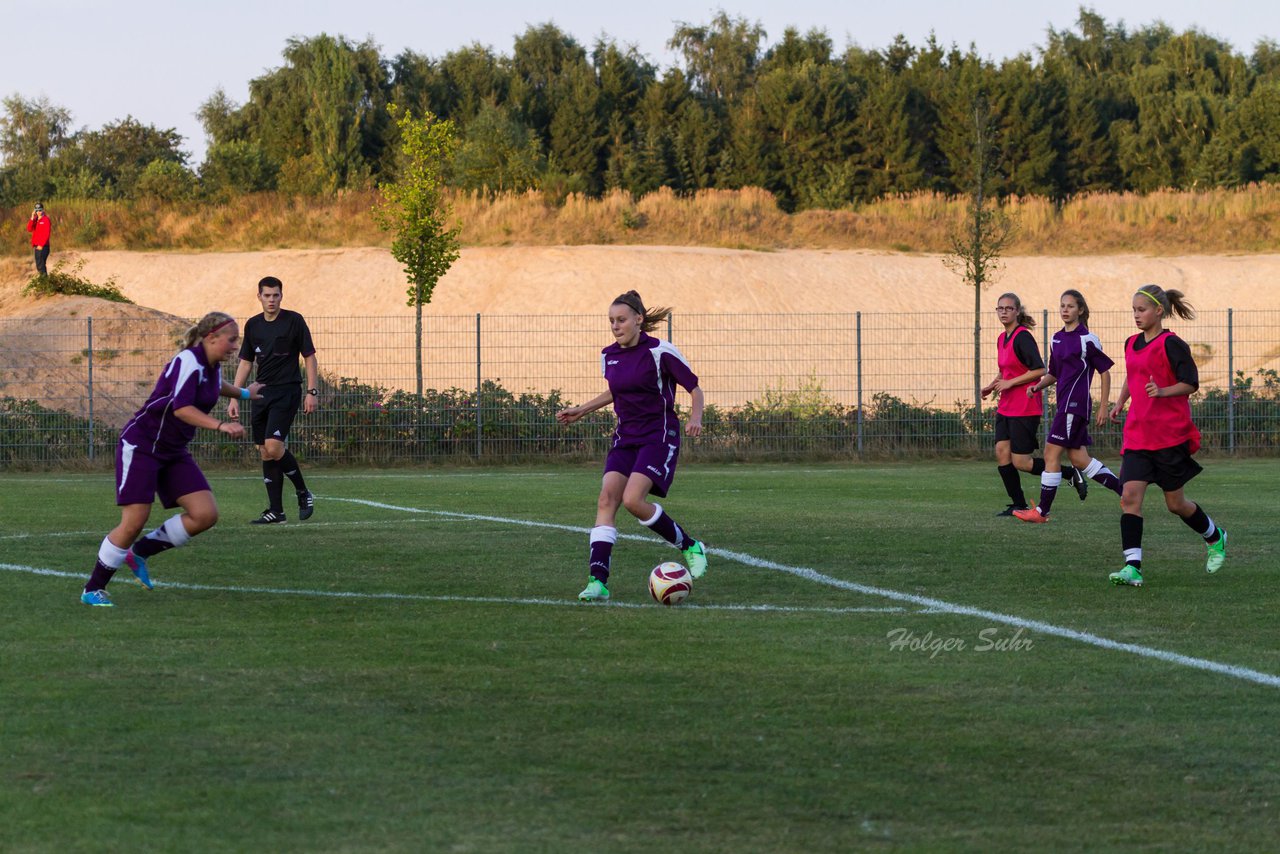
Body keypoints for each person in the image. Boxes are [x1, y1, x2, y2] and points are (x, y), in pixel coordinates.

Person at [80, 313, 263, 607]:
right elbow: (181, 409)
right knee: (134, 520)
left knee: (205, 514)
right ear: (211, 338)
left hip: (172, 450)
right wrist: (220, 425)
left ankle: (138, 552)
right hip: (141, 445)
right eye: (231, 340)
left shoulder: (210, 365)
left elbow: (215, 385)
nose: (235, 346)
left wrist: (244, 393)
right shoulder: (189, 361)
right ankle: (93, 589)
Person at [555, 290, 708, 602]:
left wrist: (696, 418)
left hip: (658, 436)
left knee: (633, 501)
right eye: (611, 320)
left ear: (639, 320)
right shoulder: (608, 354)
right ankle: (597, 582)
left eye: (621, 319)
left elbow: (694, 388)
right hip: (625, 437)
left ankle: (690, 546)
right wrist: (581, 409)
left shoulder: (660, 351)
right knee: (606, 499)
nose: (615, 325)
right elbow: (616, 391)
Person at [1105, 285, 1226, 587]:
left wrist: (1161, 392)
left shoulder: (1172, 344)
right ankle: (1133, 568)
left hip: (1168, 436)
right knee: (1129, 497)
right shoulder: (1131, 343)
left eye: (1141, 309)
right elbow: (1133, 375)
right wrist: (1121, 401)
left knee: (1176, 504)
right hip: (1137, 435)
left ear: (1159, 311)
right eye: (1133, 310)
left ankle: (1215, 536)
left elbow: (1191, 383)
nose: (1136, 315)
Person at [1014, 289, 1123, 523]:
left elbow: (1105, 372)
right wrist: (1037, 387)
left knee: (1050, 452)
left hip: (1075, 406)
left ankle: (1042, 511)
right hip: (1065, 405)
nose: (1065, 310)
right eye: (1062, 305)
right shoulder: (1057, 338)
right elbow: (1054, 372)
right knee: (1080, 460)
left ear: (1080, 310)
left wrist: (1103, 406)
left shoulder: (1087, 339)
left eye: (1070, 306)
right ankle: (1126, 492)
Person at [980, 293, 1083, 516]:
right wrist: (992, 385)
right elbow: (1005, 370)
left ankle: (1069, 473)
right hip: (1006, 406)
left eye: (1008, 308)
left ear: (1017, 311)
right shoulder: (1001, 338)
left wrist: (1010, 383)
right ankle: (1018, 504)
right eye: (1000, 308)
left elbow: (1039, 370)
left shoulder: (1023, 337)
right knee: (1001, 452)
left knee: (1022, 462)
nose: (1004, 312)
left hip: (1025, 406)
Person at [227, 276, 318, 524]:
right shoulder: (253, 325)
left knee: (275, 446)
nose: (271, 300)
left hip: (287, 391)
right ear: (259, 297)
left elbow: (309, 356)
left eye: (276, 295)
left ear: (281, 296)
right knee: (265, 452)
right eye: (267, 295)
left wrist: (312, 391)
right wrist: (235, 395)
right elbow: (246, 362)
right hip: (260, 393)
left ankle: (303, 492)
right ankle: (276, 511)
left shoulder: (294, 320)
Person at [26, 202, 51, 276]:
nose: (38, 212)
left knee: (41, 266)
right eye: (36, 210)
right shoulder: (35, 219)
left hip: (43, 247)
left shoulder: (46, 220)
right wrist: (32, 218)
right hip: (37, 246)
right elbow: (29, 229)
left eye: (40, 210)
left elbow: (46, 234)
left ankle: (45, 282)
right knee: (39, 266)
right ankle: (44, 282)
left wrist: (41, 245)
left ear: (43, 210)